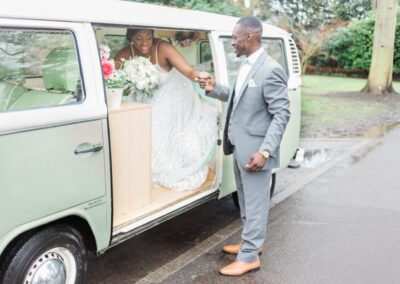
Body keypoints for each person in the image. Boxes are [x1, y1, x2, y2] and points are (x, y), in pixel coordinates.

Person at [198, 16, 290, 276]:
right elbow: (239, 97)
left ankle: (249, 256)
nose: (233, 43)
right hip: (239, 146)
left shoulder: (270, 69)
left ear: (250, 36)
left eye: (235, 38)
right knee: (247, 202)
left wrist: (265, 151)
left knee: (257, 202)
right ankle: (251, 244)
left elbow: (282, 114)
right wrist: (215, 88)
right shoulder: (248, 65)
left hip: (256, 151)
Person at [115, 29, 217, 191]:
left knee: (155, 127)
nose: (144, 43)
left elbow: (189, 71)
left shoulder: (163, 48)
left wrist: (202, 77)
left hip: (174, 95)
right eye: (138, 38)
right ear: (130, 38)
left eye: (148, 38)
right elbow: (114, 83)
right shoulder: (123, 55)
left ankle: (162, 169)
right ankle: (139, 173)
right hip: (142, 99)